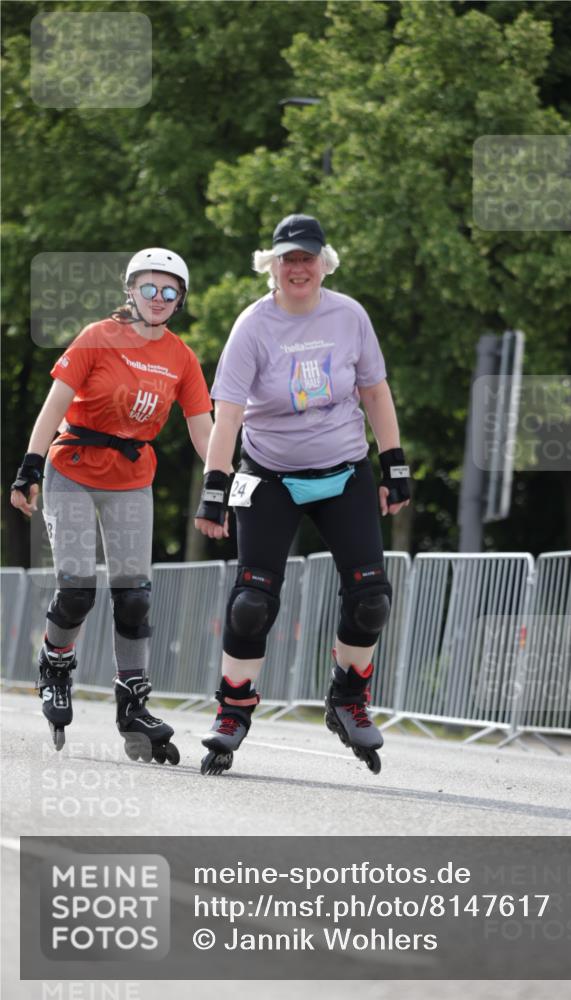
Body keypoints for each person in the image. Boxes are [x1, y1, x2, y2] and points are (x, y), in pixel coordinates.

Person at [194, 214, 410, 776]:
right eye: (287, 258)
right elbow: (229, 414)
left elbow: (375, 390)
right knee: (252, 603)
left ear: (323, 262)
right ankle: (233, 710)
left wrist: (395, 464)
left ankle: (347, 698)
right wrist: (214, 488)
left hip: (343, 470)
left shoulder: (349, 315)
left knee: (371, 598)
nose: (298, 267)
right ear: (272, 265)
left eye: (307, 257)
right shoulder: (253, 325)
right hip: (269, 476)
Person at [10, 248, 212, 763]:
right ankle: (56, 664)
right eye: (150, 288)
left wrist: (222, 481)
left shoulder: (181, 357)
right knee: (77, 586)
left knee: (135, 594)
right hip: (73, 468)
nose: (159, 299)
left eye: (170, 292)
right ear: (130, 290)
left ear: (180, 299)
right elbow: (54, 405)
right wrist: (29, 466)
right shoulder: (98, 337)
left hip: (130, 478)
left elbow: (203, 429)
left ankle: (132, 702)